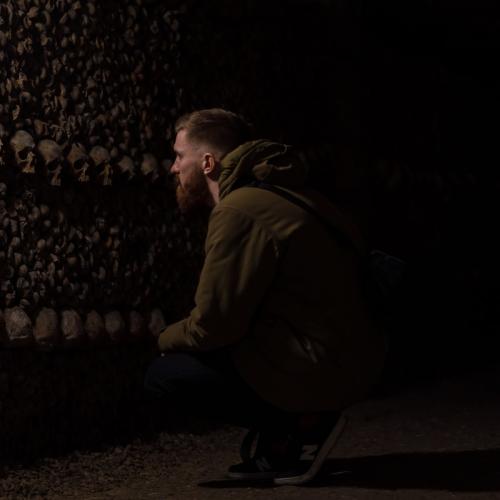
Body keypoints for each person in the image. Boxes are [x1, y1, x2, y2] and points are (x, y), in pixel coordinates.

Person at [145, 108, 386, 484]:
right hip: (351, 358)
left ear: (208, 162)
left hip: (323, 370)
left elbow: (213, 325)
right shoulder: (291, 195)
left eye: (179, 156)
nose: (173, 168)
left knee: (166, 373)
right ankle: (286, 432)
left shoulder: (239, 211)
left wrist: (164, 339)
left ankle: (301, 422)